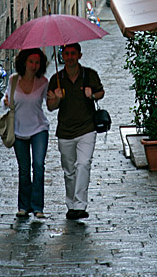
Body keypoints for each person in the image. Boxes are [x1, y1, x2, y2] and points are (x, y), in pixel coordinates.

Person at [47, 43, 104, 220]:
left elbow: (101, 92)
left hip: (87, 128)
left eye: (73, 53)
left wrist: (92, 95)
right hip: (65, 131)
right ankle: (71, 204)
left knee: (83, 164)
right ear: (62, 56)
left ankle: (80, 205)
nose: (70, 57)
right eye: (67, 54)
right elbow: (50, 107)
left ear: (79, 55)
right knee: (69, 171)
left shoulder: (90, 75)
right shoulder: (56, 78)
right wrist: (57, 99)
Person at [3, 48, 49, 220]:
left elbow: (50, 105)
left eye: (37, 62)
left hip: (39, 129)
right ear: (24, 62)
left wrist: (57, 97)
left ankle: (38, 208)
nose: (34, 66)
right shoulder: (13, 80)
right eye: (31, 62)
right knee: (23, 170)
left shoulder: (43, 82)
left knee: (38, 166)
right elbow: (6, 100)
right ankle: (23, 206)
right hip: (18, 129)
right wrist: (5, 101)